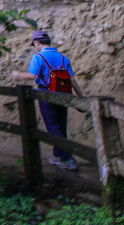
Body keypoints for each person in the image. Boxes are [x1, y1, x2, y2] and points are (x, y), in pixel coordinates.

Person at [12, 30, 83, 171]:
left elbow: (32, 76)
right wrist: (81, 98)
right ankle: (58, 155)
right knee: (61, 125)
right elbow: (72, 80)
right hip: (63, 94)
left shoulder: (38, 57)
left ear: (37, 43)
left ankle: (68, 159)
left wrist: (18, 74)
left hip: (46, 93)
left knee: (53, 127)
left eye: (35, 44)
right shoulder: (63, 58)